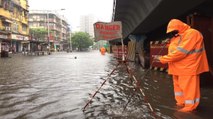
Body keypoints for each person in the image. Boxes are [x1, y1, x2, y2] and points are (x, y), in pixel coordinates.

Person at [156, 19, 209, 112]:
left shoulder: (192, 33)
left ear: (179, 27)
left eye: (174, 31)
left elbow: (181, 52)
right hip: (177, 68)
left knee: (189, 89)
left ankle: (190, 107)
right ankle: (181, 103)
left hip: (188, 68)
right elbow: (177, 48)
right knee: (179, 89)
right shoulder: (179, 36)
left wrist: (163, 59)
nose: (173, 33)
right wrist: (169, 42)